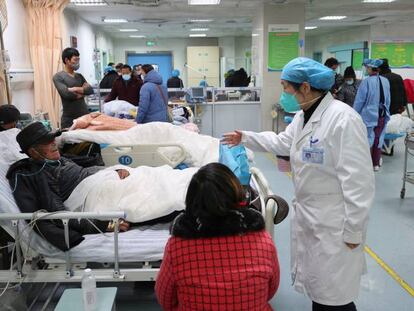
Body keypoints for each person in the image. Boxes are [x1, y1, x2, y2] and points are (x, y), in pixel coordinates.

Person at [222, 57, 374, 311]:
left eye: (286, 87)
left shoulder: (343, 120)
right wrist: (246, 137)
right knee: (322, 293)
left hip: (336, 225)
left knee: (335, 298)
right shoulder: (304, 117)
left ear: (304, 87)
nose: (284, 94)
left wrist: (353, 233)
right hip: (313, 218)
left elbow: (359, 183)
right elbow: (283, 143)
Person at [155, 163, 280, 311]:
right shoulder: (262, 240)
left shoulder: (178, 246)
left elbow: (166, 299)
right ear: (237, 195)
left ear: (192, 201)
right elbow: (270, 290)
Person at [6, 122, 131, 251]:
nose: (54, 143)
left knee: (149, 176)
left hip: (110, 179)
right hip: (97, 192)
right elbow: (58, 214)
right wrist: (104, 224)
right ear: (34, 151)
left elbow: (85, 171)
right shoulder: (38, 174)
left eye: (52, 138)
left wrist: (114, 170)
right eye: (47, 142)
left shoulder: (59, 160)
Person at [354, 59, 391, 171]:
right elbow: (388, 99)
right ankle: (375, 164)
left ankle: (365, 164)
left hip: (368, 116)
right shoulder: (385, 81)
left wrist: (353, 114)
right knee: (378, 139)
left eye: (367, 68)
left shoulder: (366, 82)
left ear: (370, 69)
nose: (366, 70)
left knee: (366, 139)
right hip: (382, 115)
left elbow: (360, 101)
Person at [53, 48, 94, 128]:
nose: (78, 62)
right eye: (75, 59)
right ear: (67, 60)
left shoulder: (79, 76)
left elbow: (90, 90)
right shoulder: (58, 77)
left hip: (84, 117)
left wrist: (75, 89)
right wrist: (82, 92)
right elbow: (66, 94)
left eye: (78, 59)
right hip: (69, 119)